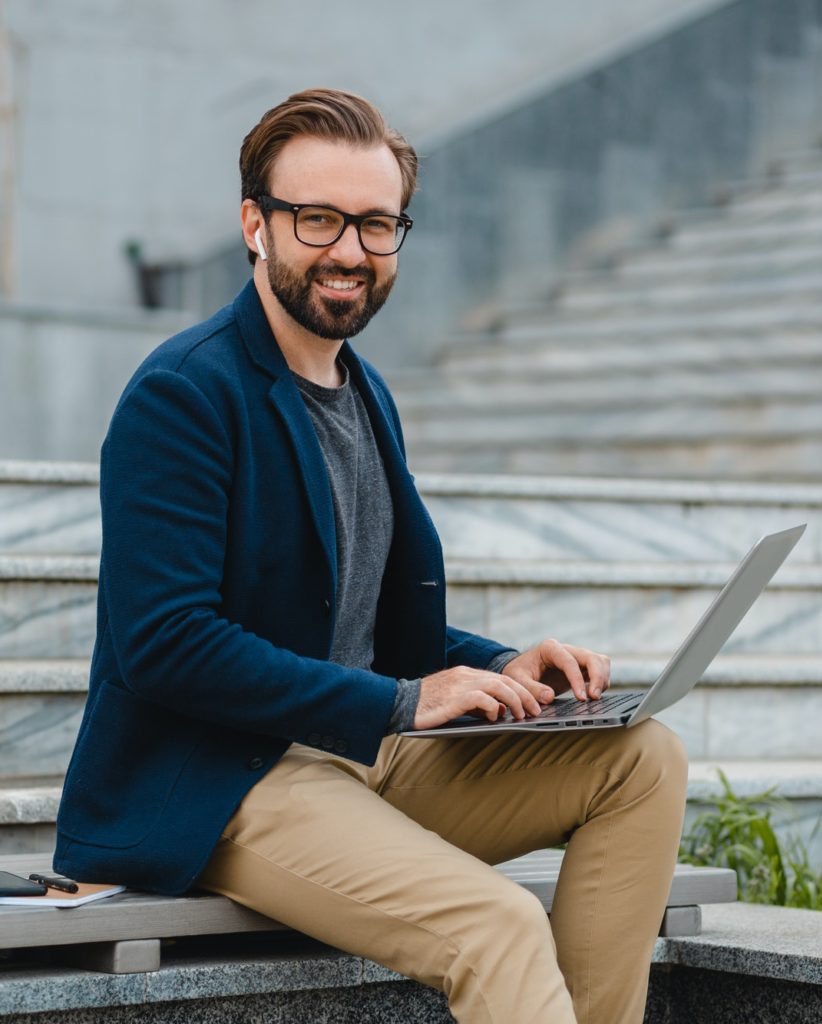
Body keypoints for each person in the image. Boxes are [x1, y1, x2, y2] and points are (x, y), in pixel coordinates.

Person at [54, 88, 688, 1024]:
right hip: (227, 777)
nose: (350, 249)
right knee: (497, 923)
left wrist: (498, 664)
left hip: (364, 752)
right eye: (318, 219)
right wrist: (400, 701)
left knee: (641, 757)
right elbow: (166, 642)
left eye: (377, 224)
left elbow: (361, 621)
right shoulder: (183, 395)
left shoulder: (361, 390)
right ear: (254, 226)